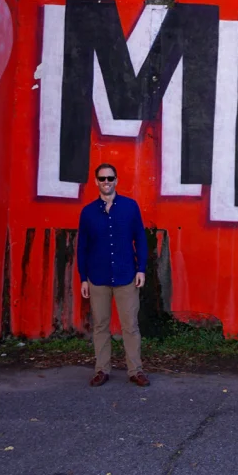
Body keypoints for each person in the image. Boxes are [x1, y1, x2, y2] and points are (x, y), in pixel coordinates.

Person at [77, 163, 150, 387]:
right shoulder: (88, 212)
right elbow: (82, 247)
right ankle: (102, 370)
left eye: (110, 178)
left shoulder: (130, 207)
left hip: (126, 275)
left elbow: (140, 238)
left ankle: (135, 371)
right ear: (96, 182)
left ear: (116, 180)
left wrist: (141, 269)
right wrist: (83, 278)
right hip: (97, 278)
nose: (106, 182)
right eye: (102, 179)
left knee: (130, 326)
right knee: (100, 326)